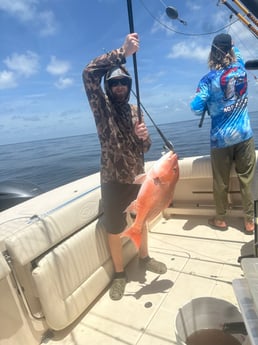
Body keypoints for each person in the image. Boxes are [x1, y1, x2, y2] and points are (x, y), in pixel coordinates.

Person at [82, 33, 167, 300]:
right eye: (114, 82)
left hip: (137, 178)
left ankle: (145, 257)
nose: (119, 86)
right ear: (108, 86)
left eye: (123, 82)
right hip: (111, 179)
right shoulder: (101, 106)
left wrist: (144, 137)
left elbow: (146, 147)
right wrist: (122, 52)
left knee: (140, 221)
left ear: (129, 84)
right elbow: (88, 73)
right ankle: (119, 274)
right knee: (114, 228)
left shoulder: (134, 110)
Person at [190, 33, 256, 234]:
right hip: (245, 135)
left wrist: (209, 100)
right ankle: (250, 222)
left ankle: (220, 219)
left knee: (221, 183)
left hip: (221, 140)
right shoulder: (242, 68)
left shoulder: (207, 80)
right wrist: (232, 46)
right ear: (230, 49)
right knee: (247, 181)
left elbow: (195, 107)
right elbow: (236, 51)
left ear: (212, 53)